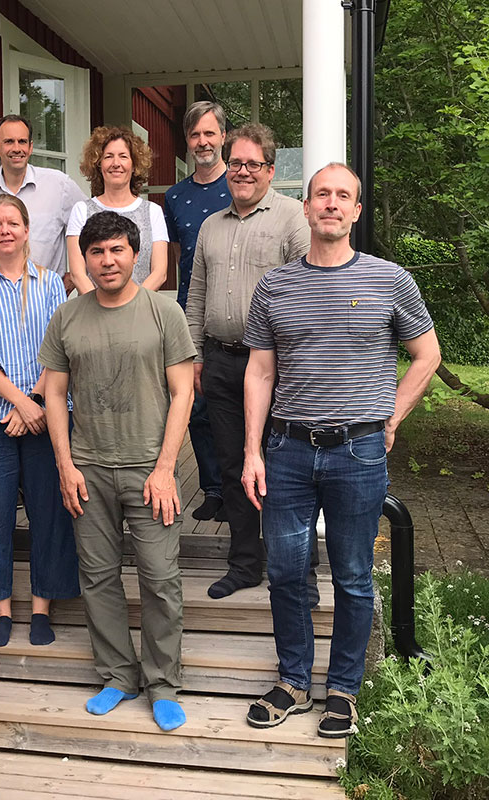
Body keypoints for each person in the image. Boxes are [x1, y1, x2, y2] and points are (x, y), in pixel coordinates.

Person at [241, 163, 440, 737]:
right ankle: (294, 681)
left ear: (356, 211)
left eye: (343, 196)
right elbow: (259, 372)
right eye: (321, 194)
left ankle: (344, 689)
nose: (330, 204)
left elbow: (427, 354)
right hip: (287, 450)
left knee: (353, 575)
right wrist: (253, 451)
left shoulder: (390, 280)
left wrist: (392, 416)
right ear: (305, 208)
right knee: (285, 572)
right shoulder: (275, 286)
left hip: (358, 453)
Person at [40, 211, 195, 732]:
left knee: (159, 578)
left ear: (136, 255)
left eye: (117, 251)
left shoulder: (163, 312)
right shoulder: (67, 317)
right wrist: (65, 464)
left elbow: (183, 392)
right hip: (89, 468)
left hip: (151, 469)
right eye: (97, 252)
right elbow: (55, 394)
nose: (107, 261)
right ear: (84, 258)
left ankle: (162, 682)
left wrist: (167, 468)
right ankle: (116, 675)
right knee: (99, 576)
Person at [185, 123, 311, 599]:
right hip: (219, 362)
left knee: (286, 467)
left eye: (251, 164)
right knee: (232, 461)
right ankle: (244, 563)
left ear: (270, 171)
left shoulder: (290, 220)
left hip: (278, 367)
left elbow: (311, 288)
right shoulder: (210, 226)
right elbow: (195, 296)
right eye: (235, 163)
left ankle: (294, 566)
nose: (241, 172)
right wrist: (195, 357)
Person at [0, 193, 80, 648]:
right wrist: (19, 404)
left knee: (51, 510)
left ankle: (44, 606)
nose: (5, 230)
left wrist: (34, 403)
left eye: (13, 222)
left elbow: (59, 346)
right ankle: (1, 608)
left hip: (47, 412)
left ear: (27, 231)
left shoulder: (50, 283)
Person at [164, 101, 231, 522]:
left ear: (223, 135)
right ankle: (213, 490)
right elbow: (174, 259)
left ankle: (245, 486)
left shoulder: (240, 185)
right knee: (197, 407)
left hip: (238, 315)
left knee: (242, 408)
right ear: (187, 142)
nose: (202, 142)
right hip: (191, 313)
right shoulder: (175, 196)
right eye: (195, 135)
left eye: (210, 133)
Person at [0, 114, 86, 291]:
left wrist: (75, 273)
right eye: (9, 142)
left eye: (22, 142)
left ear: (30, 147)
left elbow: (92, 227)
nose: (17, 148)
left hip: (47, 295)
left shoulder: (59, 185)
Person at [66, 126, 168, 294]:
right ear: (98, 165)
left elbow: (159, 273)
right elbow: (78, 274)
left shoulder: (153, 212)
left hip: (141, 312)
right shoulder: (82, 210)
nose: (116, 163)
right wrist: (100, 308)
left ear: (134, 165)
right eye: (108, 157)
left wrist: (131, 307)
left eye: (123, 156)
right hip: (93, 314)